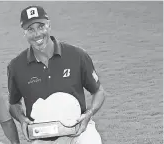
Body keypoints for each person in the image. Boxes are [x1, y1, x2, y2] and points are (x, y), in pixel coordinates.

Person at [7, 5, 106, 144]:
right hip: (42, 137)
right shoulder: (16, 66)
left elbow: (99, 91)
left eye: (41, 26)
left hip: (78, 130)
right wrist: (22, 120)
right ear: (24, 33)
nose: (37, 34)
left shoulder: (76, 55)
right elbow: (13, 103)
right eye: (30, 29)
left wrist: (89, 114)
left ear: (49, 25)